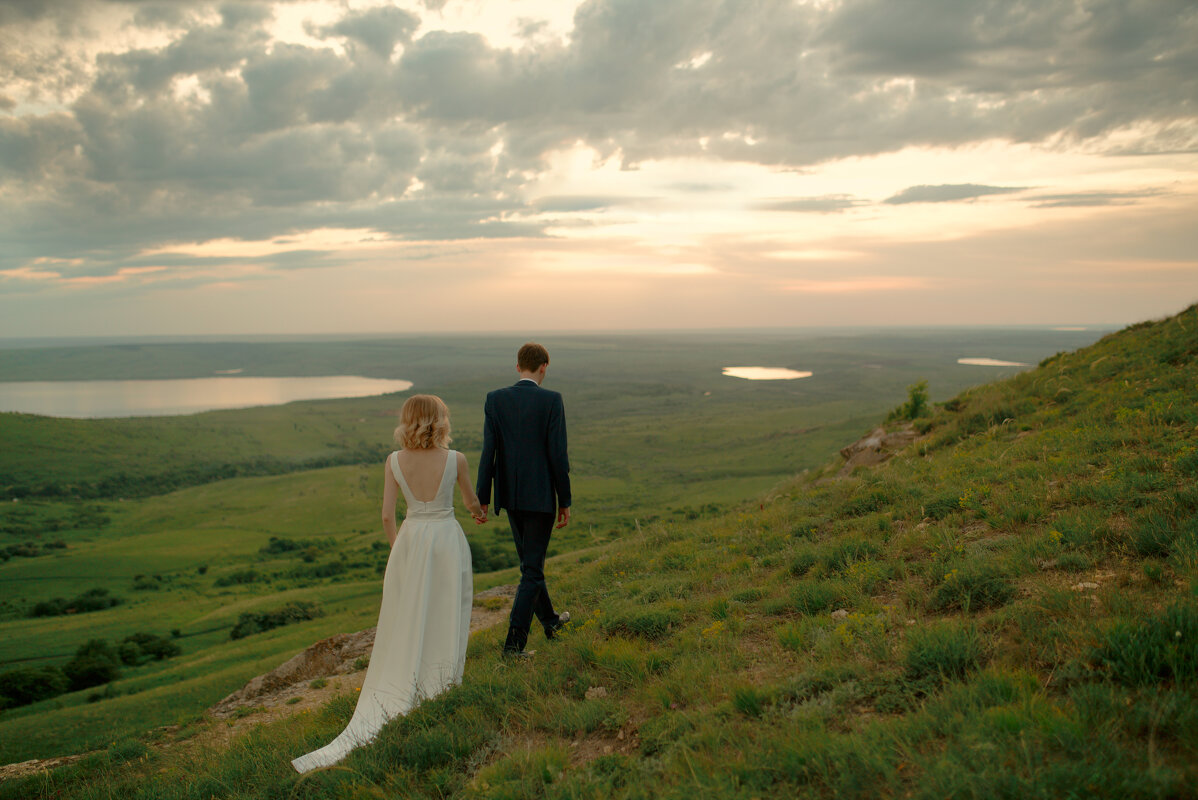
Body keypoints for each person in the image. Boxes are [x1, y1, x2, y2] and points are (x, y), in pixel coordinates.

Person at [291, 395, 484, 773]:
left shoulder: (394, 461)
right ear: (440, 421)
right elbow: (471, 502)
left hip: (411, 542)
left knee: (405, 619)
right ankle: (443, 687)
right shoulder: (456, 460)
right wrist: (479, 513)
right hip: (446, 540)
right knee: (449, 612)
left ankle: (403, 683)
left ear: (407, 422)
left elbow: (385, 516)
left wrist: (400, 550)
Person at [475, 342, 572, 657]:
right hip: (542, 497)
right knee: (532, 570)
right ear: (544, 367)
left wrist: (483, 497)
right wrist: (565, 500)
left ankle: (551, 622)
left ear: (518, 366)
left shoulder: (495, 399)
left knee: (530, 565)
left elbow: (488, 451)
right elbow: (558, 456)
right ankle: (513, 646)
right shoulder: (552, 400)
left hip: (510, 497)